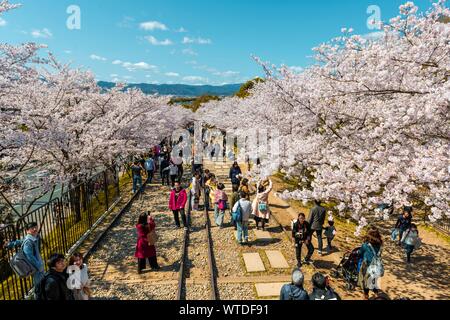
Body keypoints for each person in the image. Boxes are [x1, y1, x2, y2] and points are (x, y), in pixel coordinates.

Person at [6, 222, 45, 298]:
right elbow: (30, 257)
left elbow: (21, 241)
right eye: (32, 228)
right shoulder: (28, 242)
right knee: (39, 288)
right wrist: (39, 266)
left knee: (41, 286)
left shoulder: (34, 237)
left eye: (35, 227)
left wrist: (11, 244)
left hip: (39, 265)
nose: (35, 229)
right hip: (36, 268)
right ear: (27, 231)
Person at [357, 228, 384, 300]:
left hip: (367, 266)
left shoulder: (365, 245)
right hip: (376, 266)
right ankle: (376, 295)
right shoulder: (380, 245)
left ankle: (366, 296)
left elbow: (360, 253)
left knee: (366, 282)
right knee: (373, 281)